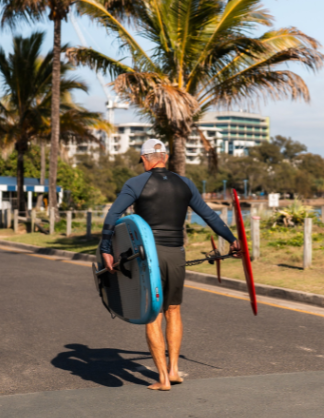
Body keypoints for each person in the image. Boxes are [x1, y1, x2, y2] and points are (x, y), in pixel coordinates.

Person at [99, 139, 239, 391]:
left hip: (147, 257)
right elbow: (209, 215)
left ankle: (163, 378)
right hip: (177, 254)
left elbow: (113, 215)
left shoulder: (136, 183)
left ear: (144, 159)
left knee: (154, 314)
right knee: (173, 310)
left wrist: (106, 249)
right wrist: (233, 240)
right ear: (164, 156)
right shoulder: (185, 183)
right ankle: (174, 370)